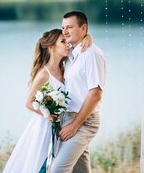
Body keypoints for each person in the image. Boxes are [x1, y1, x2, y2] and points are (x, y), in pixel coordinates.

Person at [3, 28, 91, 173]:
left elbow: (81, 46)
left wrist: (88, 37)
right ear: (51, 47)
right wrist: (47, 114)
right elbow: (29, 102)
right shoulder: (44, 74)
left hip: (66, 124)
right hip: (46, 127)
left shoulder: (66, 66)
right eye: (63, 42)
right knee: (43, 163)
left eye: (67, 41)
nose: (68, 44)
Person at [51, 11, 107, 173]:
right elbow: (49, 44)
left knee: (58, 170)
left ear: (83, 28)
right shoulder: (71, 54)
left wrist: (75, 125)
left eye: (69, 27)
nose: (65, 31)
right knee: (80, 171)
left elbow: (96, 93)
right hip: (68, 119)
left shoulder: (91, 54)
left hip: (84, 121)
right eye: (63, 28)